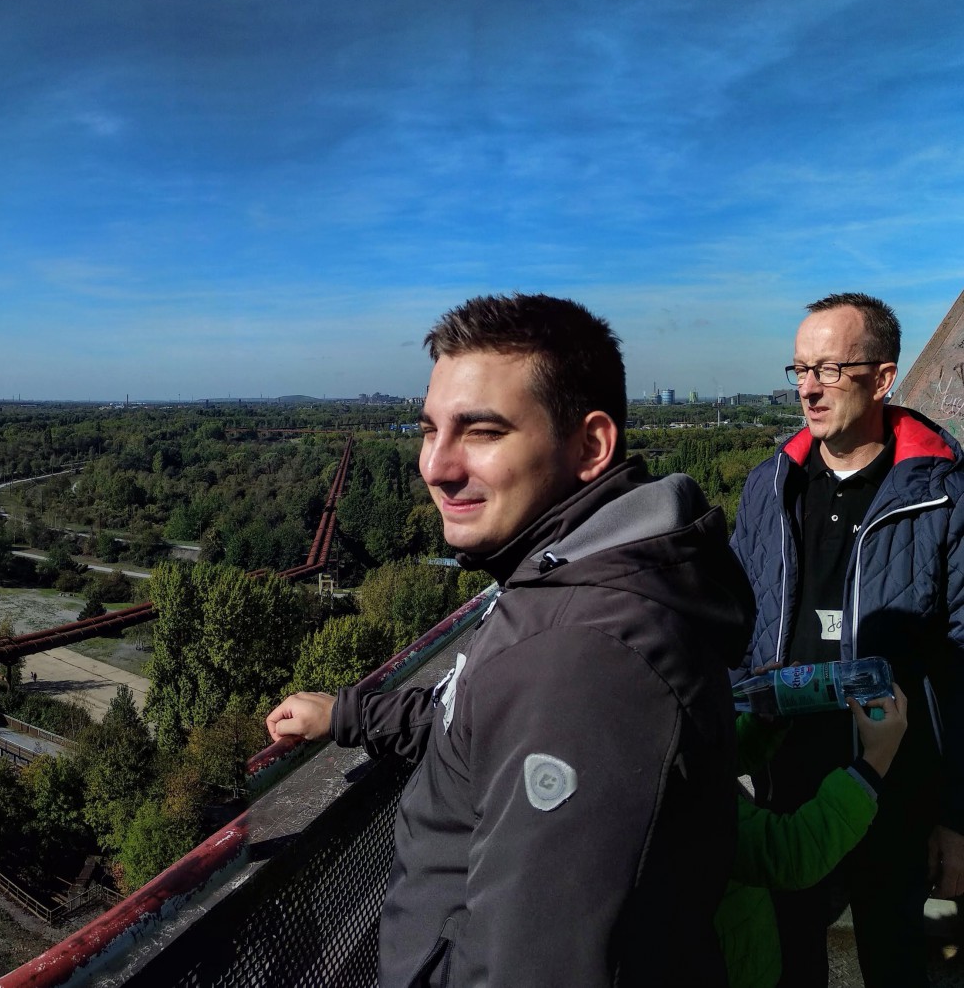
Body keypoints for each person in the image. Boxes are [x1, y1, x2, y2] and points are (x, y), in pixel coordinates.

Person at [264, 294, 747, 986]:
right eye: (429, 429)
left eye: (481, 431)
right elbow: (481, 717)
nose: (436, 464)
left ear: (589, 446)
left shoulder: (587, 657)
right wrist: (349, 714)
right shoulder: (562, 581)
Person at [730, 292, 964, 986]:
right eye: (800, 368)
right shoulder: (768, 487)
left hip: (899, 788)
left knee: (895, 961)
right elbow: (740, 631)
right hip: (790, 783)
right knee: (789, 961)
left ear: (884, 378)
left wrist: (956, 818)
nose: (808, 386)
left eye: (831, 369)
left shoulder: (945, 496)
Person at [722, 685, 908, 987]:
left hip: (749, 950)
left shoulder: (644, 702)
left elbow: (713, 752)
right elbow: (789, 853)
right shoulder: (669, 789)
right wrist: (874, 762)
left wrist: (766, 720)